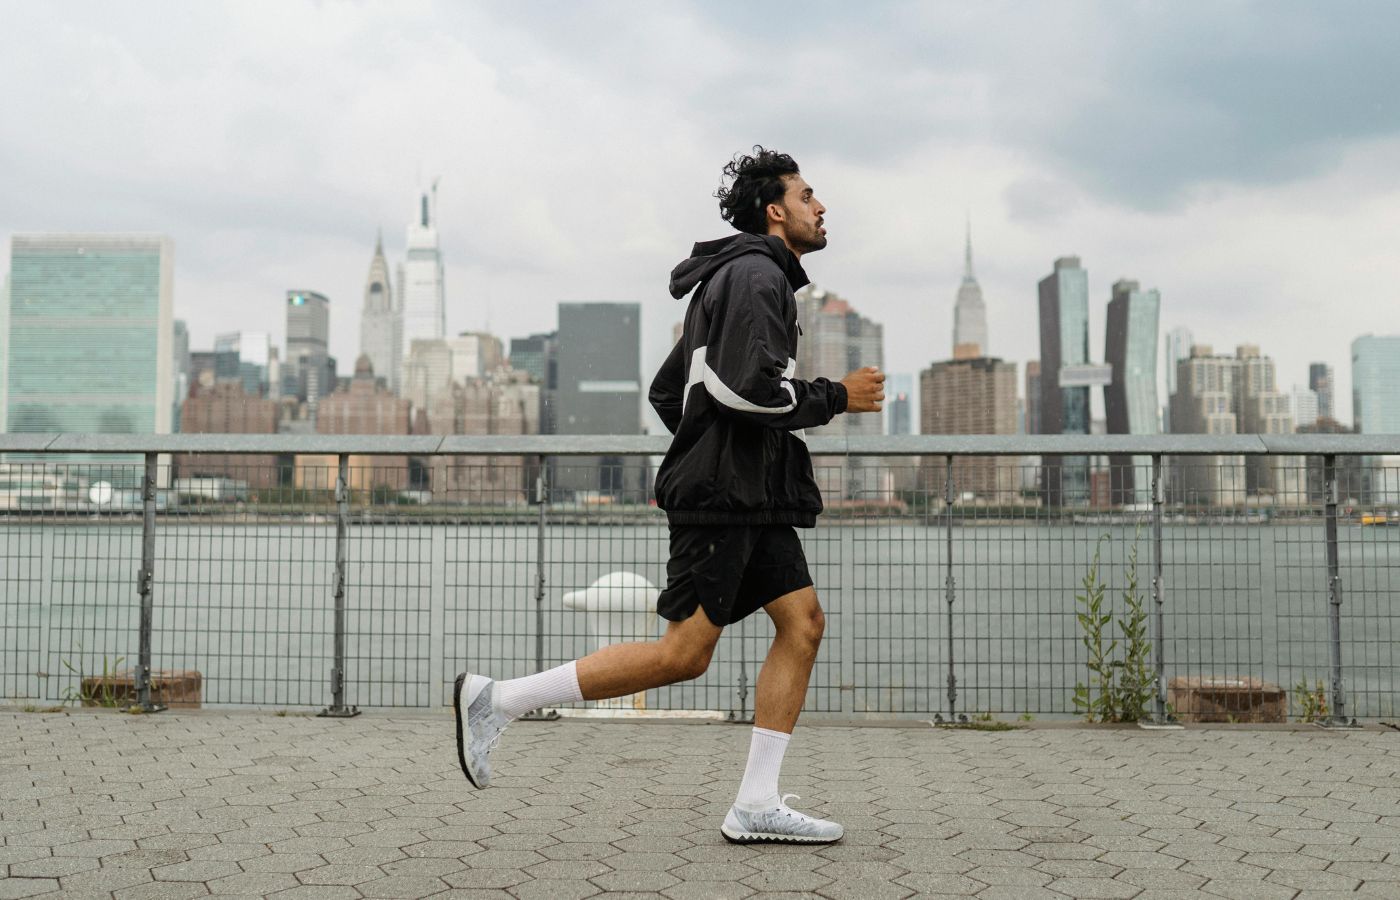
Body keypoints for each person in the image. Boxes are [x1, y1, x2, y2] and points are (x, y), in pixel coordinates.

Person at [455, 146, 884, 845]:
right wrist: (837, 397)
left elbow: (670, 390)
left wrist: (710, 446)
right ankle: (496, 701)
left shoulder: (740, 278)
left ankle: (755, 803)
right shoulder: (754, 276)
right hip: (724, 496)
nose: (822, 205)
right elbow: (745, 388)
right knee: (684, 653)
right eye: (809, 195)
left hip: (748, 493)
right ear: (775, 210)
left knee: (802, 624)